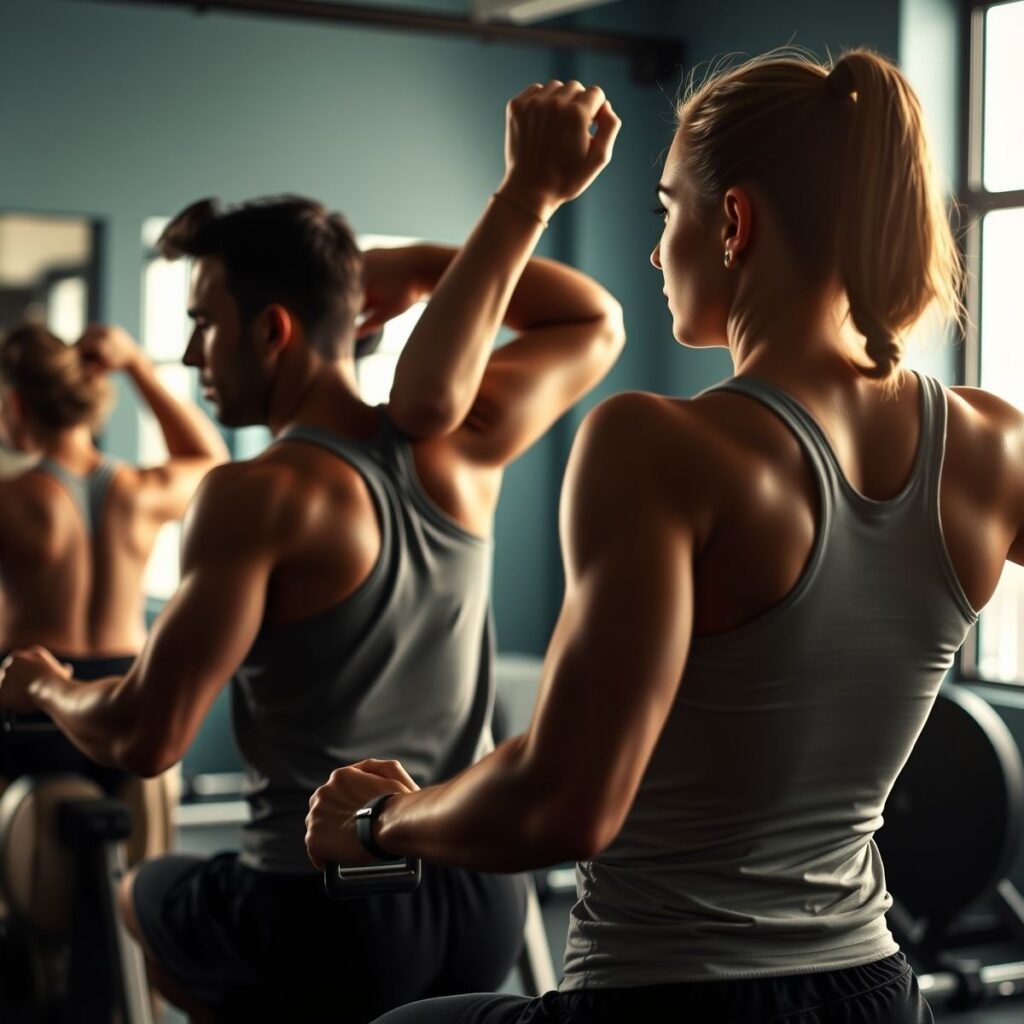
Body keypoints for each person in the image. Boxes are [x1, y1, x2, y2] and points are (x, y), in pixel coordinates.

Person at [303, 49, 1017, 1024]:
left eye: (664, 210)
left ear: (732, 222)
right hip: (873, 992)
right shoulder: (989, 443)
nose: (655, 250)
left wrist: (382, 820)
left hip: (668, 994)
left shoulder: (656, 444)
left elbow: (565, 800)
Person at [0, 80, 624, 1022]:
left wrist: (42, 685)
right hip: (480, 900)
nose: (193, 351)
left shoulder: (256, 494)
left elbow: (144, 733)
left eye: (204, 322)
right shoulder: (467, 444)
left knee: (145, 893)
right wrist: (408, 268)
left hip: (323, 906)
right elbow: (593, 320)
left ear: (273, 331)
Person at [0, 321, 228, 792]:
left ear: (17, 404)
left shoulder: (12, 499)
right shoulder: (140, 491)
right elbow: (213, 462)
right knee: (132, 854)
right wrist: (136, 366)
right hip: (127, 692)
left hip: (33, 694)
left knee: (28, 854)